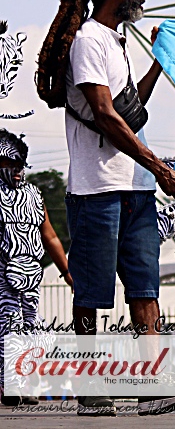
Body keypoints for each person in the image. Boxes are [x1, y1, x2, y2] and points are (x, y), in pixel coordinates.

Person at [34, 0, 175, 416]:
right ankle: (90, 390)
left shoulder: (115, 41)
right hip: (98, 191)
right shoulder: (89, 40)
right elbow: (106, 117)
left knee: (145, 290)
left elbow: (130, 107)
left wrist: (160, 63)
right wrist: (159, 166)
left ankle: (156, 387)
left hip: (137, 190)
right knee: (91, 294)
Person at [0, 130, 72, 407]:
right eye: (11, 163)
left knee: (31, 327)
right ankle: (10, 385)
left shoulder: (33, 195)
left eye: (22, 164)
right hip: (3, 275)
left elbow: (49, 235)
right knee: (9, 324)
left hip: (30, 277)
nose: (18, 170)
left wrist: (66, 272)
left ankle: (22, 381)